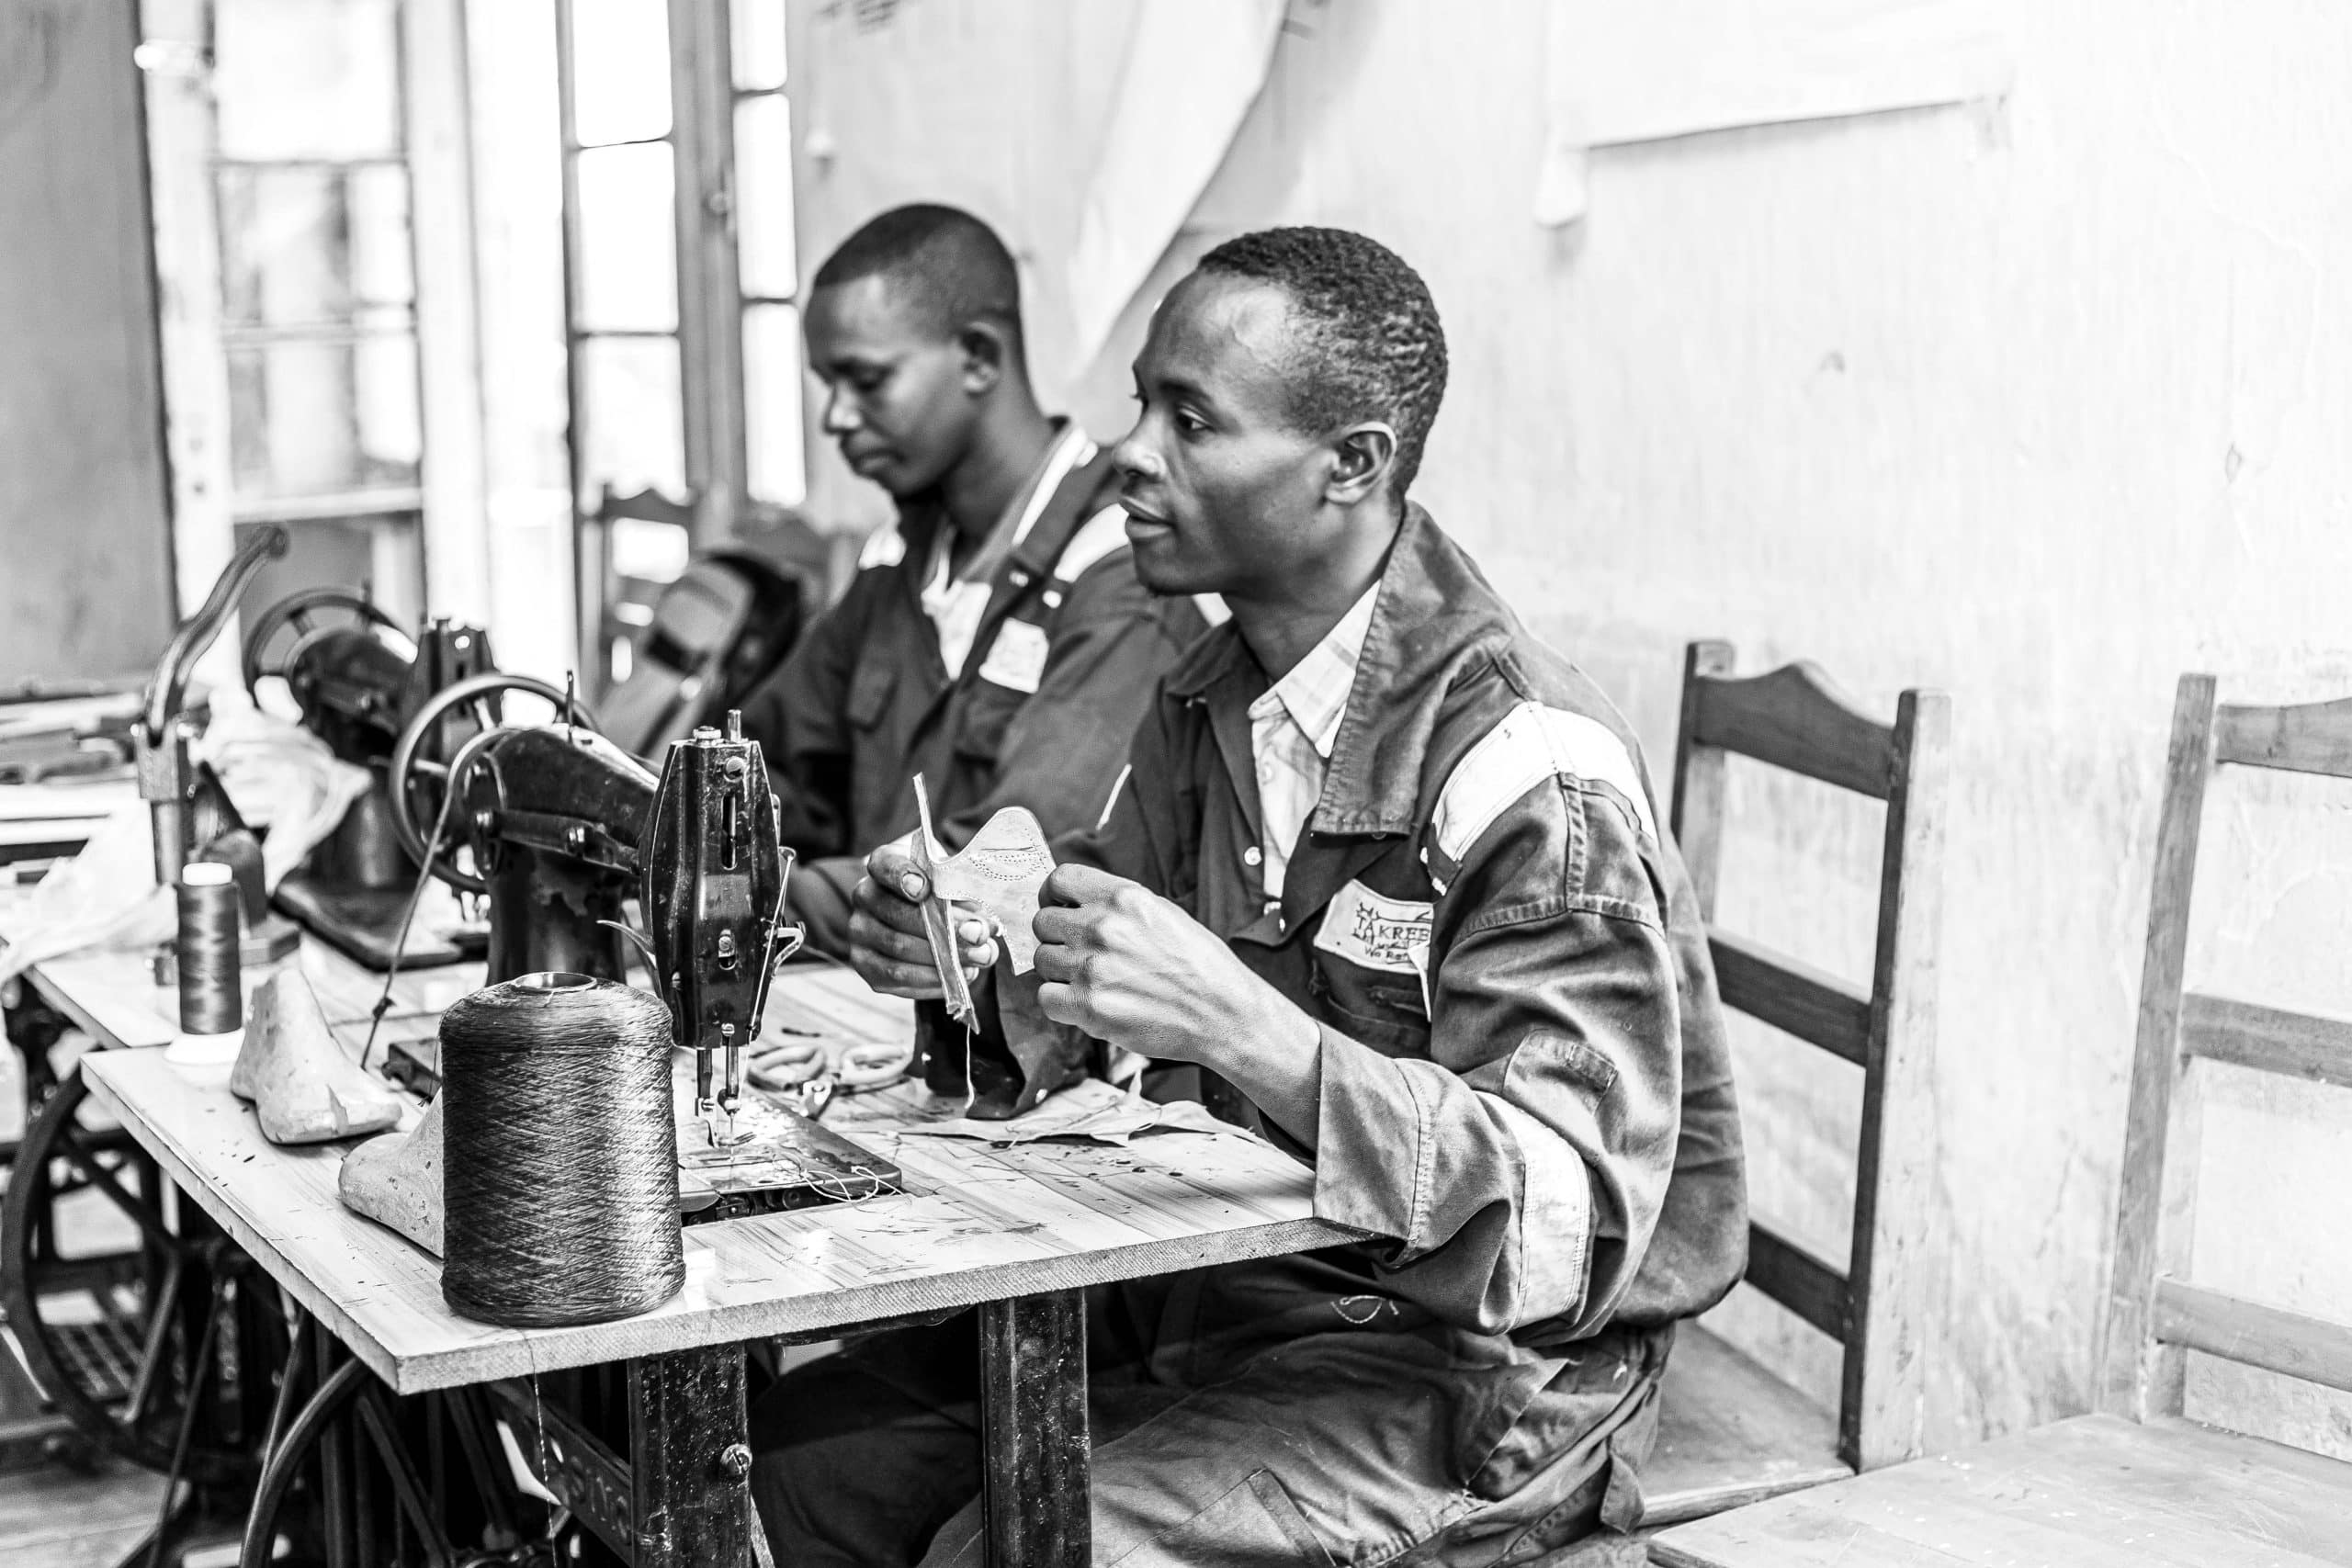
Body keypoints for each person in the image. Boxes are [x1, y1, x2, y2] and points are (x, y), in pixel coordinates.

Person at [751, 226, 1748, 1566]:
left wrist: (1247, 1030)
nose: (1130, 456)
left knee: (1024, 1546)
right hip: (1238, 1291)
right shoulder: (1210, 698)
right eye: (1139, 406)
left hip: (1477, 1377)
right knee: (801, 1467)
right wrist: (962, 966)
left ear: (1353, 463)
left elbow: (1569, 1230)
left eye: (1192, 420)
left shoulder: (1524, 772)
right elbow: (1095, 1012)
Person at [738, 204, 1206, 975]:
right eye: (828, 384)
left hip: (1028, 1061)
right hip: (871, 1019)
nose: (835, 416)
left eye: (866, 379)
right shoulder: (904, 565)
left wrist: (749, 896)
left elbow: (998, 885)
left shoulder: (1120, 576)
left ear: (980, 357)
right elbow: (767, 770)